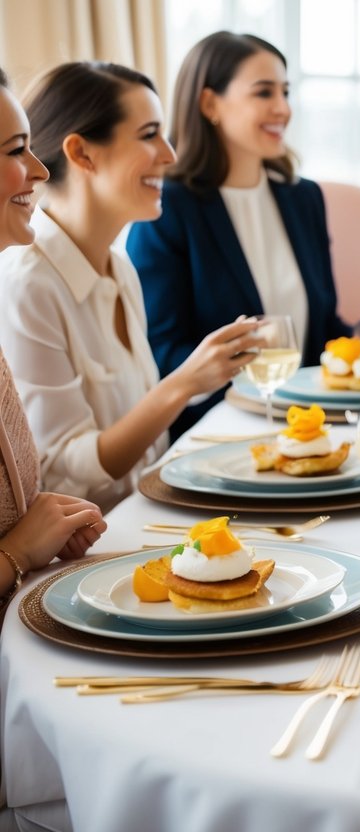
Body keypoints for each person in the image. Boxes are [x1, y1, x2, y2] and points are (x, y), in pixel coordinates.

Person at [0, 63, 262, 510]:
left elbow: (149, 454)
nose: (170, 154)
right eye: (148, 134)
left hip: (148, 513)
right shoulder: (28, 285)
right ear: (82, 154)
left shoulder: (120, 268)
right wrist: (182, 384)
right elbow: (62, 472)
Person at [127, 32, 350, 435]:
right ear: (210, 103)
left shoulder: (304, 198)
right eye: (264, 93)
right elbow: (161, 351)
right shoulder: (167, 206)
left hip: (310, 425)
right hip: (216, 431)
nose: (282, 108)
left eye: (285, 91)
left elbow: (325, 328)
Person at [0, 66, 106, 609]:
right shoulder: (27, 282)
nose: (40, 169)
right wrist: (16, 551)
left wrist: (42, 520)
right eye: (16, 150)